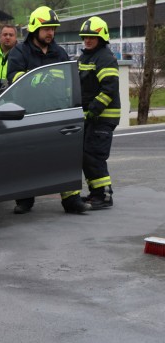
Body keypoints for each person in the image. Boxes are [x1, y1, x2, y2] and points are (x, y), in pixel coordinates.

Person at [6, 5, 91, 215]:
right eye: (47, 29)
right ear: (35, 29)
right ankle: (25, 199)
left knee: (64, 154)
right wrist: (36, 79)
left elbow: (69, 81)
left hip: (56, 110)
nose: (51, 33)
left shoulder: (59, 52)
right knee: (26, 156)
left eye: (53, 29)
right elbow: (14, 78)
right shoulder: (19, 52)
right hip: (29, 112)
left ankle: (71, 199)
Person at [78, 16, 119, 209]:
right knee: (87, 155)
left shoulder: (105, 58)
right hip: (91, 117)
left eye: (91, 37)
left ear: (101, 37)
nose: (87, 40)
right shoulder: (86, 56)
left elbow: (108, 89)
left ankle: (103, 196)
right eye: (85, 37)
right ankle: (96, 193)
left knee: (94, 155)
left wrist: (92, 111)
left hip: (102, 117)